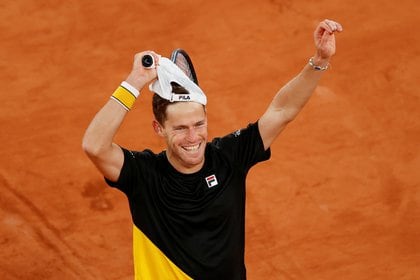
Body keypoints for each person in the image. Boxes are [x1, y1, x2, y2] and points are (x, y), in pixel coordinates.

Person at [82, 19, 343, 280]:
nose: (193, 137)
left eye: (199, 124)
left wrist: (319, 60)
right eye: (181, 128)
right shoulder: (143, 175)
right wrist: (133, 83)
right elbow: (95, 146)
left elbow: (282, 110)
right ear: (158, 128)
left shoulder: (228, 157)